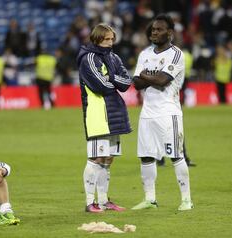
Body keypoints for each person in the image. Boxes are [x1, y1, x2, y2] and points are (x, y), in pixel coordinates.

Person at [131, 14, 193, 211]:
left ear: (170, 33)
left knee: (176, 155)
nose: (154, 32)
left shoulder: (176, 54)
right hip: (147, 113)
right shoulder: (144, 54)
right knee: (146, 157)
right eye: (152, 30)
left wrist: (146, 75)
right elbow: (136, 83)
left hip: (169, 113)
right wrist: (151, 76)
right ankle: (150, 199)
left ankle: (186, 200)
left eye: (159, 29)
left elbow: (162, 81)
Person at [76, 23, 132, 213]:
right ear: (97, 38)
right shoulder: (89, 58)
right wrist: (113, 80)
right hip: (97, 113)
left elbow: (127, 82)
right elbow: (101, 86)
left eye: (111, 39)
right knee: (96, 157)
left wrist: (111, 77)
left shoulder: (114, 57)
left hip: (114, 112)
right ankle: (90, 202)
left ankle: (104, 200)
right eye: (106, 39)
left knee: (108, 158)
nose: (109, 43)